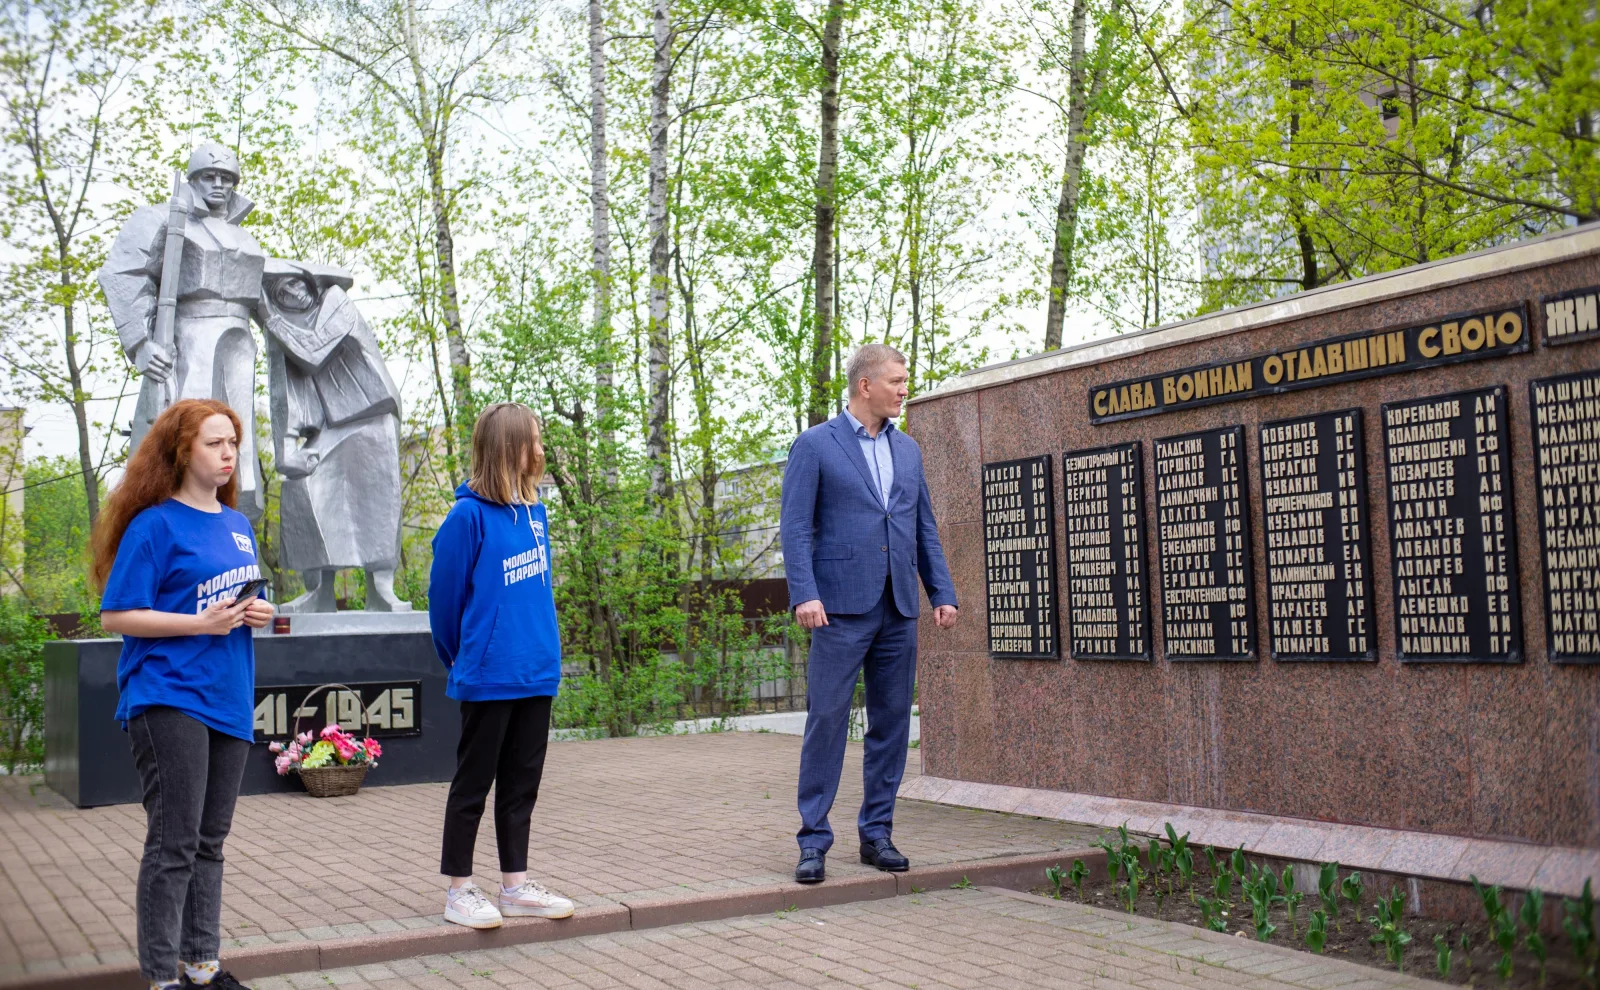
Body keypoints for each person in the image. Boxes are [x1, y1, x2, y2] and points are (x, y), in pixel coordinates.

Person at [90, 399, 276, 990]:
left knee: (209, 843)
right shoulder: (155, 526)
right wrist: (200, 623)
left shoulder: (237, 525)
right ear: (181, 451)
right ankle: (161, 979)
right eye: (214, 443)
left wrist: (257, 613)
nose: (227, 454)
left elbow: (229, 602)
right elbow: (116, 615)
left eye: (233, 444)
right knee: (173, 843)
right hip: (168, 695)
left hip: (228, 694)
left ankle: (201, 967)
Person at [779, 344, 959, 884]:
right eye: (897, 381)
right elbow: (795, 526)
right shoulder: (815, 445)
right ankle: (813, 842)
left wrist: (941, 591)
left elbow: (922, 523)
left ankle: (876, 833)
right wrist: (804, 592)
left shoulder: (908, 450)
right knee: (827, 722)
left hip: (899, 607)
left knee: (891, 724)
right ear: (866, 386)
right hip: (836, 609)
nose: (905, 389)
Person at [428, 403, 574, 929]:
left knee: (521, 786)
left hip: (537, 673)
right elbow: (443, 604)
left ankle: (515, 886)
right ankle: (460, 891)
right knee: (473, 786)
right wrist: (466, 656)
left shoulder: (536, 514)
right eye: (534, 440)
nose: (541, 450)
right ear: (509, 447)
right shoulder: (465, 517)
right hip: (488, 676)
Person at [99, 144, 265, 520]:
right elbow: (123, 272)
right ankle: (173, 518)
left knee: (238, 448)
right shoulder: (164, 218)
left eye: (226, 178)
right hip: (187, 340)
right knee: (184, 439)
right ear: (192, 180)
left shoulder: (247, 240)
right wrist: (141, 342)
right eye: (209, 176)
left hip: (240, 346)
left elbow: (277, 299)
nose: (219, 184)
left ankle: (233, 522)